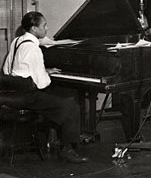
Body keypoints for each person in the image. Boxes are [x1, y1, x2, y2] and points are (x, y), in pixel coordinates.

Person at [2, 11, 89, 163]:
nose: (47, 28)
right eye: (44, 25)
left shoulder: (17, 41)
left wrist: (43, 70)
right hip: (27, 96)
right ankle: (67, 149)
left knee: (61, 96)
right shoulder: (34, 49)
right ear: (34, 29)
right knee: (71, 104)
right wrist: (46, 73)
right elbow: (42, 83)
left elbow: (7, 69)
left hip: (13, 92)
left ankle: (53, 138)